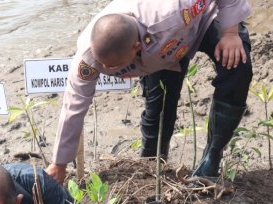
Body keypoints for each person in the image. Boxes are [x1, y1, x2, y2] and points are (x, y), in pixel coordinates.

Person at [47, 0, 253, 184]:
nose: (108, 71)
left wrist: (230, 33)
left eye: (115, 66)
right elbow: (74, 105)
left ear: (135, 47)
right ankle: (152, 166)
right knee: (160, 109)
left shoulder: (175, 10)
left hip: (198, 21)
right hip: (161, 52)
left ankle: (212, 158)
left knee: (237, 66)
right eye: (103, 65)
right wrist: (59, 164)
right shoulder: (88, 57)